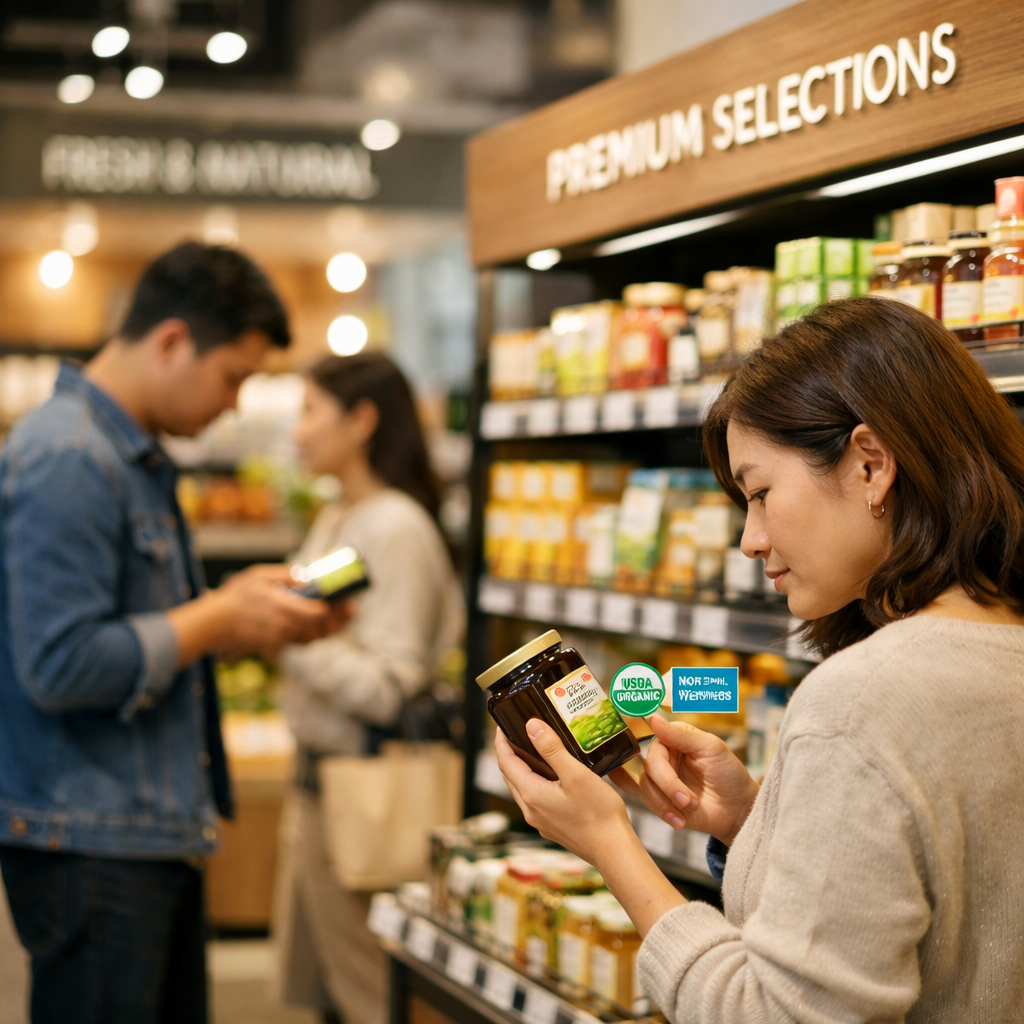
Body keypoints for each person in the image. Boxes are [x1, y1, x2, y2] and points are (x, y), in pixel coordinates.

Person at [495, 297, 1024, 1024]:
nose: (751, 539)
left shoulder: (863, 699)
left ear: (872, 465)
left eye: (762, 494)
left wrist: (608, 843)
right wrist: (757, 820)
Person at [0, 242, 345, 1024]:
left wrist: (241, 618)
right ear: (171, 343)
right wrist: (217, 615)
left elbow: (135, 634)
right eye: (234, 376)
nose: (232, 404)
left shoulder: (128, 456)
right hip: (92, 840)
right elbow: (58, 664)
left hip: (135, 828)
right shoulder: (70, 455)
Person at [273, 352, 465, 1024]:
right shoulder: (338, 519)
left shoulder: (395, 528)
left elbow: (388, 685)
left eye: (308, 412)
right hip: (320, 788)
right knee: (327, 992)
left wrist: (287, 639)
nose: (296, 431)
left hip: (364, 791)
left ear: (361, 420)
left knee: (368, 998)